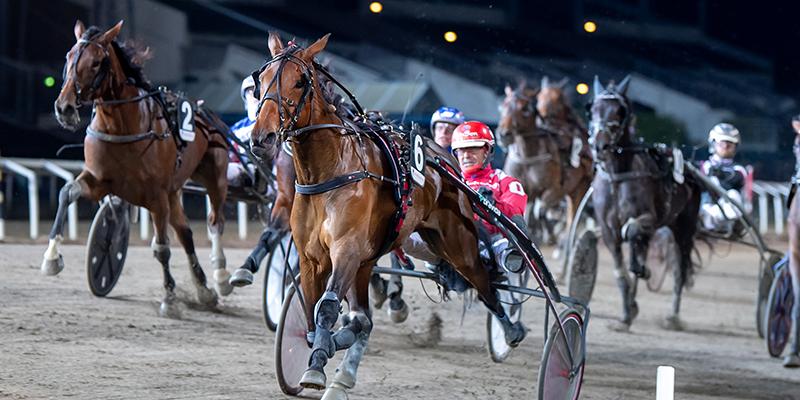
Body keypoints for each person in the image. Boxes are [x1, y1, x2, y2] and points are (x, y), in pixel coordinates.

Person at [699, 123, 749, 234]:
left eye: (730, 144)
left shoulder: (739, 169)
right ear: (713, 144)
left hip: (728, 213)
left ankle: (734, 227)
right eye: (722, 143)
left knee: (733, 194)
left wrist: (719, 175)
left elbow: (734, 182)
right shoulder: (703, 166)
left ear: (735, 147)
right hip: (705, 210)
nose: (725, 147)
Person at [227, 75, 259, 187]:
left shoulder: (273, 122)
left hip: (266, 173)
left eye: (256, 91)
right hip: (237, 169)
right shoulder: (236, 128)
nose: (253, 95)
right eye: (249, 91)